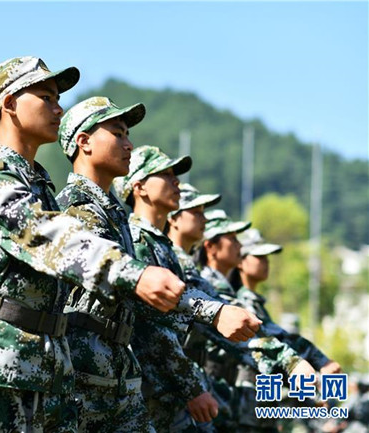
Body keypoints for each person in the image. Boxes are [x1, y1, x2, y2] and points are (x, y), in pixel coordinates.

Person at [0, 56, 185, 432]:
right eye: (46, 98)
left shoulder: (39, 186)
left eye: (58, 99)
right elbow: (47, 237)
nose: (58, 108)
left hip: (46, 375)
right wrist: (132, 273)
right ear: (10, 104)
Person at [113, 146, 262, 432]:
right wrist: (191, 387)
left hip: (167, 388)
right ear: (140, 187)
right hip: (149, 388)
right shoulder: (136, 241)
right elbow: (151, 327)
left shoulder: (163, 248)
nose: (176, 181)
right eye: (165, 175)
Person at [55, 96, 156, 431]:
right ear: (84, 142)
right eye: (117, 133)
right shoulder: (74, 208)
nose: (129, 145)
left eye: (128, 134)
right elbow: (123, 285)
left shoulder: (113, 213)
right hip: (84, 378)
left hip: (117, 375)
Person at [186, 208, 316, 432]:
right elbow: (252, 343)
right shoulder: (207, 287)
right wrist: (293, 363)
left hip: (226, 400)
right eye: (232, 239)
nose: (239, 246)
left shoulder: (225, 291)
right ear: (211, 247)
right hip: (210, 397)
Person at [230, 228, 341, 433]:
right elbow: (274, 342)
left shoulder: (256, 304)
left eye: (267, 257)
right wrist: (319, 361)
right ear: (240, 261)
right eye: (259, 257)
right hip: (242, 406)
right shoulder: (240, 304)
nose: (266, 262)